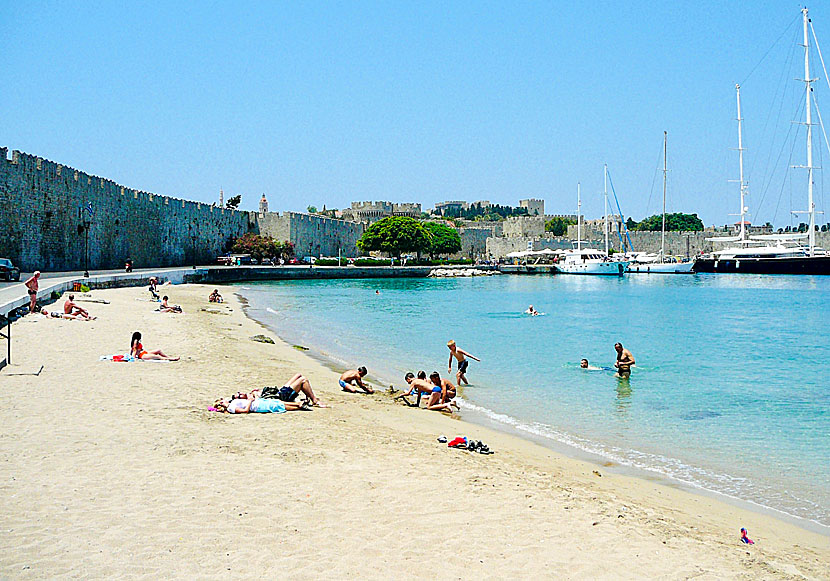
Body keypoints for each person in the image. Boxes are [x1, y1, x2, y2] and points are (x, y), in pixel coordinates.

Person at [260, 373, 328, 407]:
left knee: (298, 375)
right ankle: (314, 400)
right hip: (282, 397)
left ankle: (308, 394)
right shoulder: (256, 400)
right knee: (303, 380)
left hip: (278, 392)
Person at [212, 395, 308, 414]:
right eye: (222, 400)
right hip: (257, 407)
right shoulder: (231, 408)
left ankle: (297, 404)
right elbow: (245, 411)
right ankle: (297, 406)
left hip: (258, 403)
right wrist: (250, 400)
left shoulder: (231, 404)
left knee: (277, 402)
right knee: (277, 406)